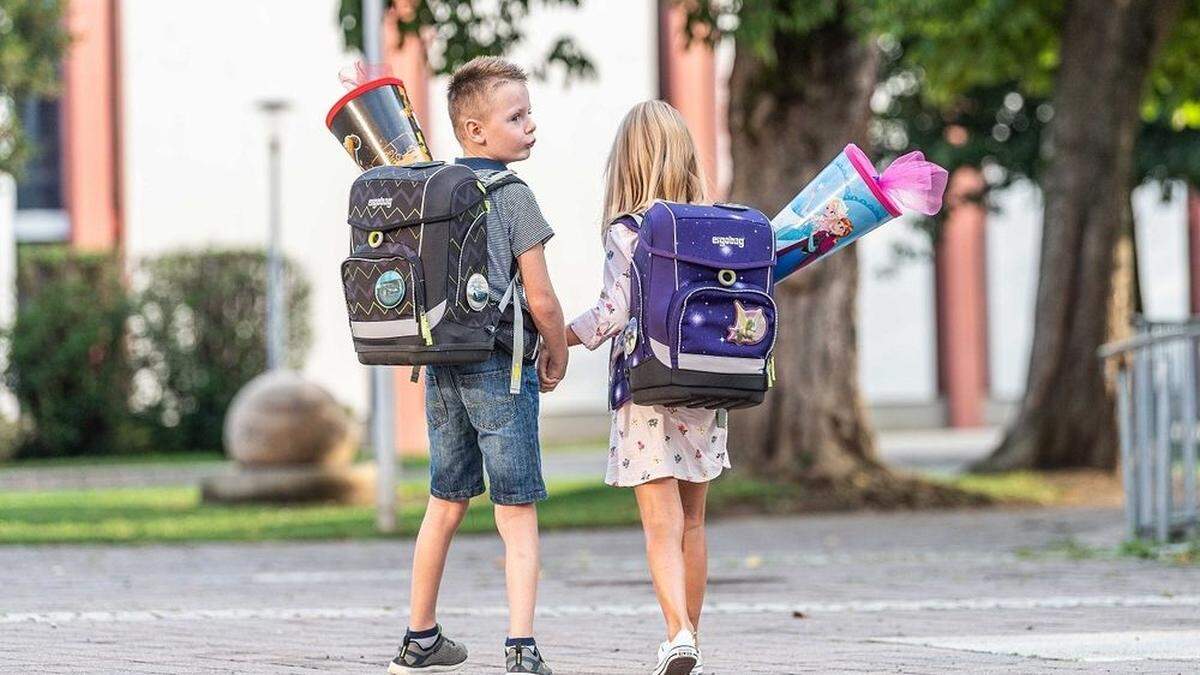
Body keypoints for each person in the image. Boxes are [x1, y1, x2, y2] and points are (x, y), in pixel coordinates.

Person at [388, 56, 566, 675]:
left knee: (445, 501)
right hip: (500, 366)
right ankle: (520, 647)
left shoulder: (432, 187)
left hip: (440, 366)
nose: (531, 126)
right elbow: (539, 295)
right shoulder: (514, 196)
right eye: (516, 117)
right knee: (515, 512)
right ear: (475, 130)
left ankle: (419, 636)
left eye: (529, 114)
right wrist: (558, 346)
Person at [566, 100, 723, 675]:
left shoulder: (628, 232)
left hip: (648, 392)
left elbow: (612, 312)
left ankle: (676, 632)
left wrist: (558, 337)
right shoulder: (712, 228)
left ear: (625, 164)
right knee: (695, 523)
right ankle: (692, 639)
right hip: (706, 391)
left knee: (662, 527)